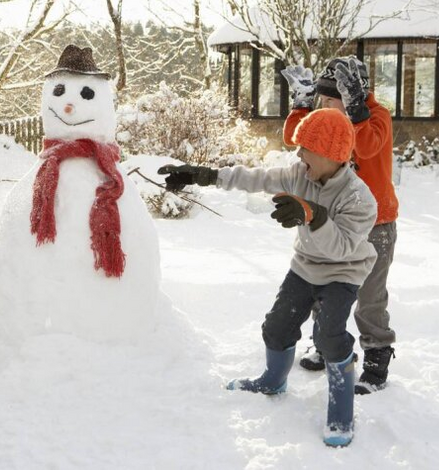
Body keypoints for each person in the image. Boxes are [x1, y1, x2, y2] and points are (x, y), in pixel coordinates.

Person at [159, 108, 377, 447]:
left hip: (343, 273)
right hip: (305, 267)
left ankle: (341, 410)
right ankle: (273, 380)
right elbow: (256, 177)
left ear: (331, 155)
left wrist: (312, 214)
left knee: (330, 336)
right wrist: (204, 175)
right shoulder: (298, 175)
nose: (299, 154)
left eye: (306, 148)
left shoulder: (359, 198)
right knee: (277, 326)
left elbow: (343, 247)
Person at [282, 57, 399, 394]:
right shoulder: (327, 120)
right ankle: (324, 341)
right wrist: (302, 106)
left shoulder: (376, 117)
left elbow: (366, 145)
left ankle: (377, 354)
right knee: (324, 283)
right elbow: (295, 139)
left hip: (376, 224)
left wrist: (358, 110)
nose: (328, 106)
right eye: (322, 99)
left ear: (356, 94)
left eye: (334, 99)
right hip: (331, 222)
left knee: (370, 295)